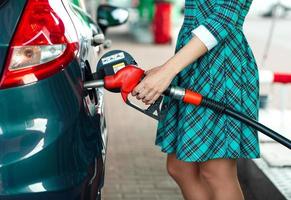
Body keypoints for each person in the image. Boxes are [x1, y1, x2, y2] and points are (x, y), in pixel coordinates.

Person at [132, 0, 260, 199]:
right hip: (193, 65)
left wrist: (168, 71)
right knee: (180, 167)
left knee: (217, 172)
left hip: (221, 68)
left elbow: (224, 19)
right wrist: (169, 67)